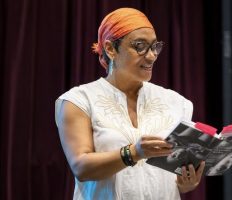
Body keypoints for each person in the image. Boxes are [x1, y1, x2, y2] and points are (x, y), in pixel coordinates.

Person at [55, 7, 205, 200]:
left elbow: (172, 177)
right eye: (140, 46)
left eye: (155, 47)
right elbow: (81, 167)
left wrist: (186, 183)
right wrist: (133, 152)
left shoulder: (176, 102)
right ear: (110, 49)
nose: (151, 56)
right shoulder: (79, 100)